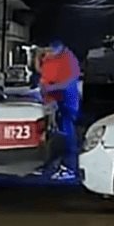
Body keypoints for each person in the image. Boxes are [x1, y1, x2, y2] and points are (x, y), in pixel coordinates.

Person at [39, 39, 81, 181]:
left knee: (67, 137)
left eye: (50, 49)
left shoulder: (68, 59)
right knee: (57, 136)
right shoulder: (55, 58)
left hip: (66, 105)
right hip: (58, 104)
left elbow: (68, 82)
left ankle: (69, 168)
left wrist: (51, 88)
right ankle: (57, 166)